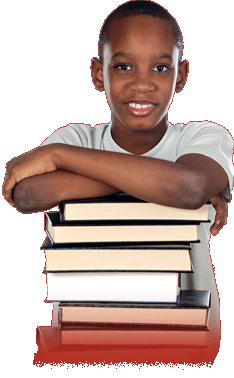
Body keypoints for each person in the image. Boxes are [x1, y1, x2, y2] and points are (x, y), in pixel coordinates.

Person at [2, 0, 233, 360]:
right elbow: (28, 194)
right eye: (123, 66)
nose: (142, 84)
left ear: (181, 76)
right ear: (98, 73)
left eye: (160, 67)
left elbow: (186, 187)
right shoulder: (77, 138)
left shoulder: (202, 137)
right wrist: (165, 183)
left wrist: (59, 159)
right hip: (85, 336)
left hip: (187, 339)